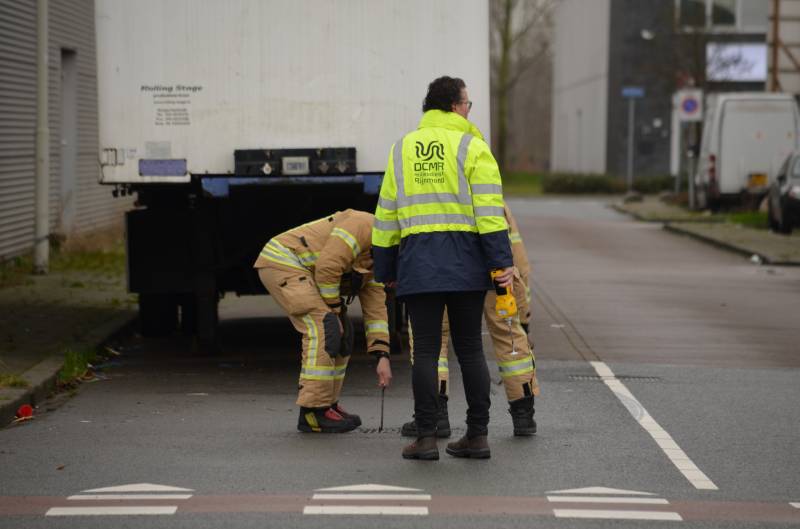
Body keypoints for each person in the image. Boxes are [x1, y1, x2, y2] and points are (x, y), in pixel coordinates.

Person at [372, 76, 513, 460]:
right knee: (470, 349)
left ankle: (427, 439)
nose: (469, 110)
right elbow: (489, 209)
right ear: (454, 106)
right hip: (467, 261)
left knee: (427, 352)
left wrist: (385, 267)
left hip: (419, 262)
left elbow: (385, 215)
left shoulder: (402, 148)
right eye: (467, 104)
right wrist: (502, 263)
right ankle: (478, 435)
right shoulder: (472, 145)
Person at [401, 203, 540, 438]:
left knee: (434, 340)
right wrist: (523, 314)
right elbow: (519, 258)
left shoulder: (430, 196)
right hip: (498, 272)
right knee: (510, 338)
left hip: (445, 273)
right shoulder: (494, 200)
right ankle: (523, 414)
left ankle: (436, 417)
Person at [254, 209, 392, 433]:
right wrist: (335, 312)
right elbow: (327, 268)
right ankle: (312, 412)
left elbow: (376, 310)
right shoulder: (364, 225)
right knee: (323, 327)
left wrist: (382, 354)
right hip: (282, 261)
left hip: (306, 271)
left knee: (343, 333)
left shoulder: (380, 261)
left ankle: (328, 404)